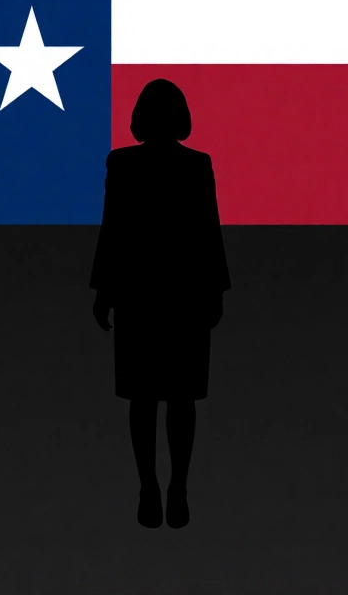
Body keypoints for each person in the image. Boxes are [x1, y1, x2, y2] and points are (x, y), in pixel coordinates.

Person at [90, 79, 231, 529]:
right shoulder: (197, 165)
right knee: (180, 401)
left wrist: (104, 293)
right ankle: (174, 489)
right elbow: (209, 234)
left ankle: (152, 487)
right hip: (185, 297)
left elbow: (113, 232)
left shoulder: (123, 163)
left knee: (145, 401)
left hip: (139, 297)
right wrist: (215, 292)